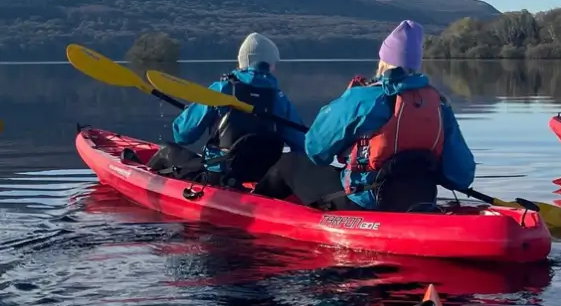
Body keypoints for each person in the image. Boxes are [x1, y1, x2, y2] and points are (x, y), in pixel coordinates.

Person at [252, 20, 476, 212]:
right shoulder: (439, 106)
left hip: (365, 202)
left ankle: (250, 207)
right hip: (420, 200)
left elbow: (316, 151)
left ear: (383, 62)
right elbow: (461, 176)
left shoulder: (363, 98)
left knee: (288, 163)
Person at [139, 32, 306, 186]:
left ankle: (141, 182)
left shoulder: (222, 89)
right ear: (270, 65)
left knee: (166, 150)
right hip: (262, 178)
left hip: (217, 177)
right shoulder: (280, 99)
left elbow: (183, 135)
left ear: (242, 61)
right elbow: (302, 146)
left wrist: (191, 114)